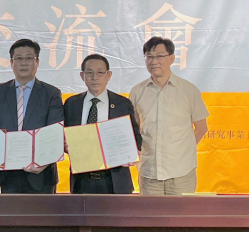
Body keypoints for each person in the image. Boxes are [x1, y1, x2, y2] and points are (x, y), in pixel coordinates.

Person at [0, 39, 64, 194]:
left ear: (37, 62)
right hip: (7, 175)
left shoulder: (51, 93)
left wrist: (44, 161)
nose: (23, 63)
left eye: (29, 58)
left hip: (40, 174)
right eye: (18, 58)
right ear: (11, 63)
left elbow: (55, 132)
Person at [130, 37, 209, 195]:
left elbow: (201, 128)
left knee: (182, 212)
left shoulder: (188, 90)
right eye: (149, 56)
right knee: (150, 212)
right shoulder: (137, 92)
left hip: (182, 173)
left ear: (172, 58)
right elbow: (135, 129)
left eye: (159, 56)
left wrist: (182, 151)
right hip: (149, 173)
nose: (154, 61)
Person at [64, 54, 142, 194]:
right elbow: (64, 137)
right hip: (81, 180)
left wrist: (132, 153)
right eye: (89, 73)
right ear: (82, 76)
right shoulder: (72, 104)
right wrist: (65, 145)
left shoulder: (122, 103)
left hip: (115, 180)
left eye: (100, 72)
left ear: (109, 75)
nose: (95, 77)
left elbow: (135, 138)